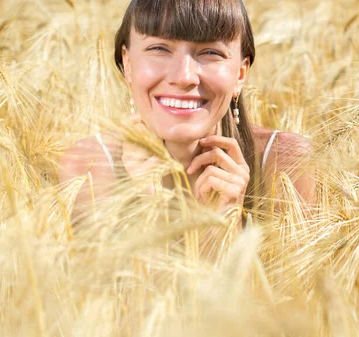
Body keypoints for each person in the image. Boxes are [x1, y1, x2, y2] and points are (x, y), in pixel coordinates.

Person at [59, 0, 315, 227]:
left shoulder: (285, 163)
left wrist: (223, 225)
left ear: (240, 74)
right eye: (159, 49)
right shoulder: (89, 168)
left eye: (211, 52)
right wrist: (151, 209)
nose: (183, 77)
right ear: (127, 63)